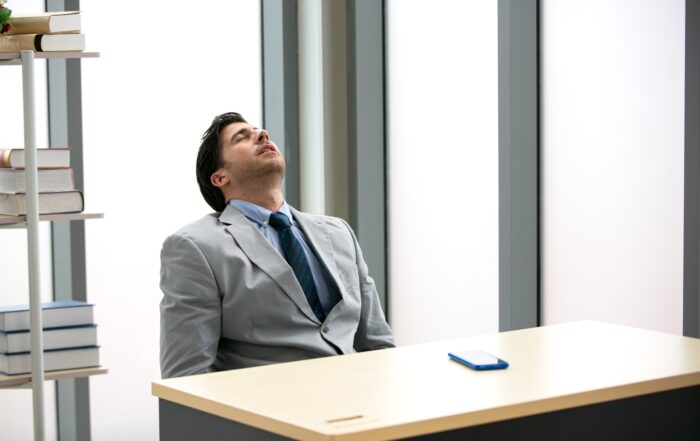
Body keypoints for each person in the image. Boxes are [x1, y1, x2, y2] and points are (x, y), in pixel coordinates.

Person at [159, 112, 395, 378]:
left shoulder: (338, 232)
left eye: (260, 131)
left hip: (360, 402)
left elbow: (378, 343)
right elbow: (186, 376)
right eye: (242, 137)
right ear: (220, 177)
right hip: (269, 412)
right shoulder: (196, 247)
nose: (262, 135)